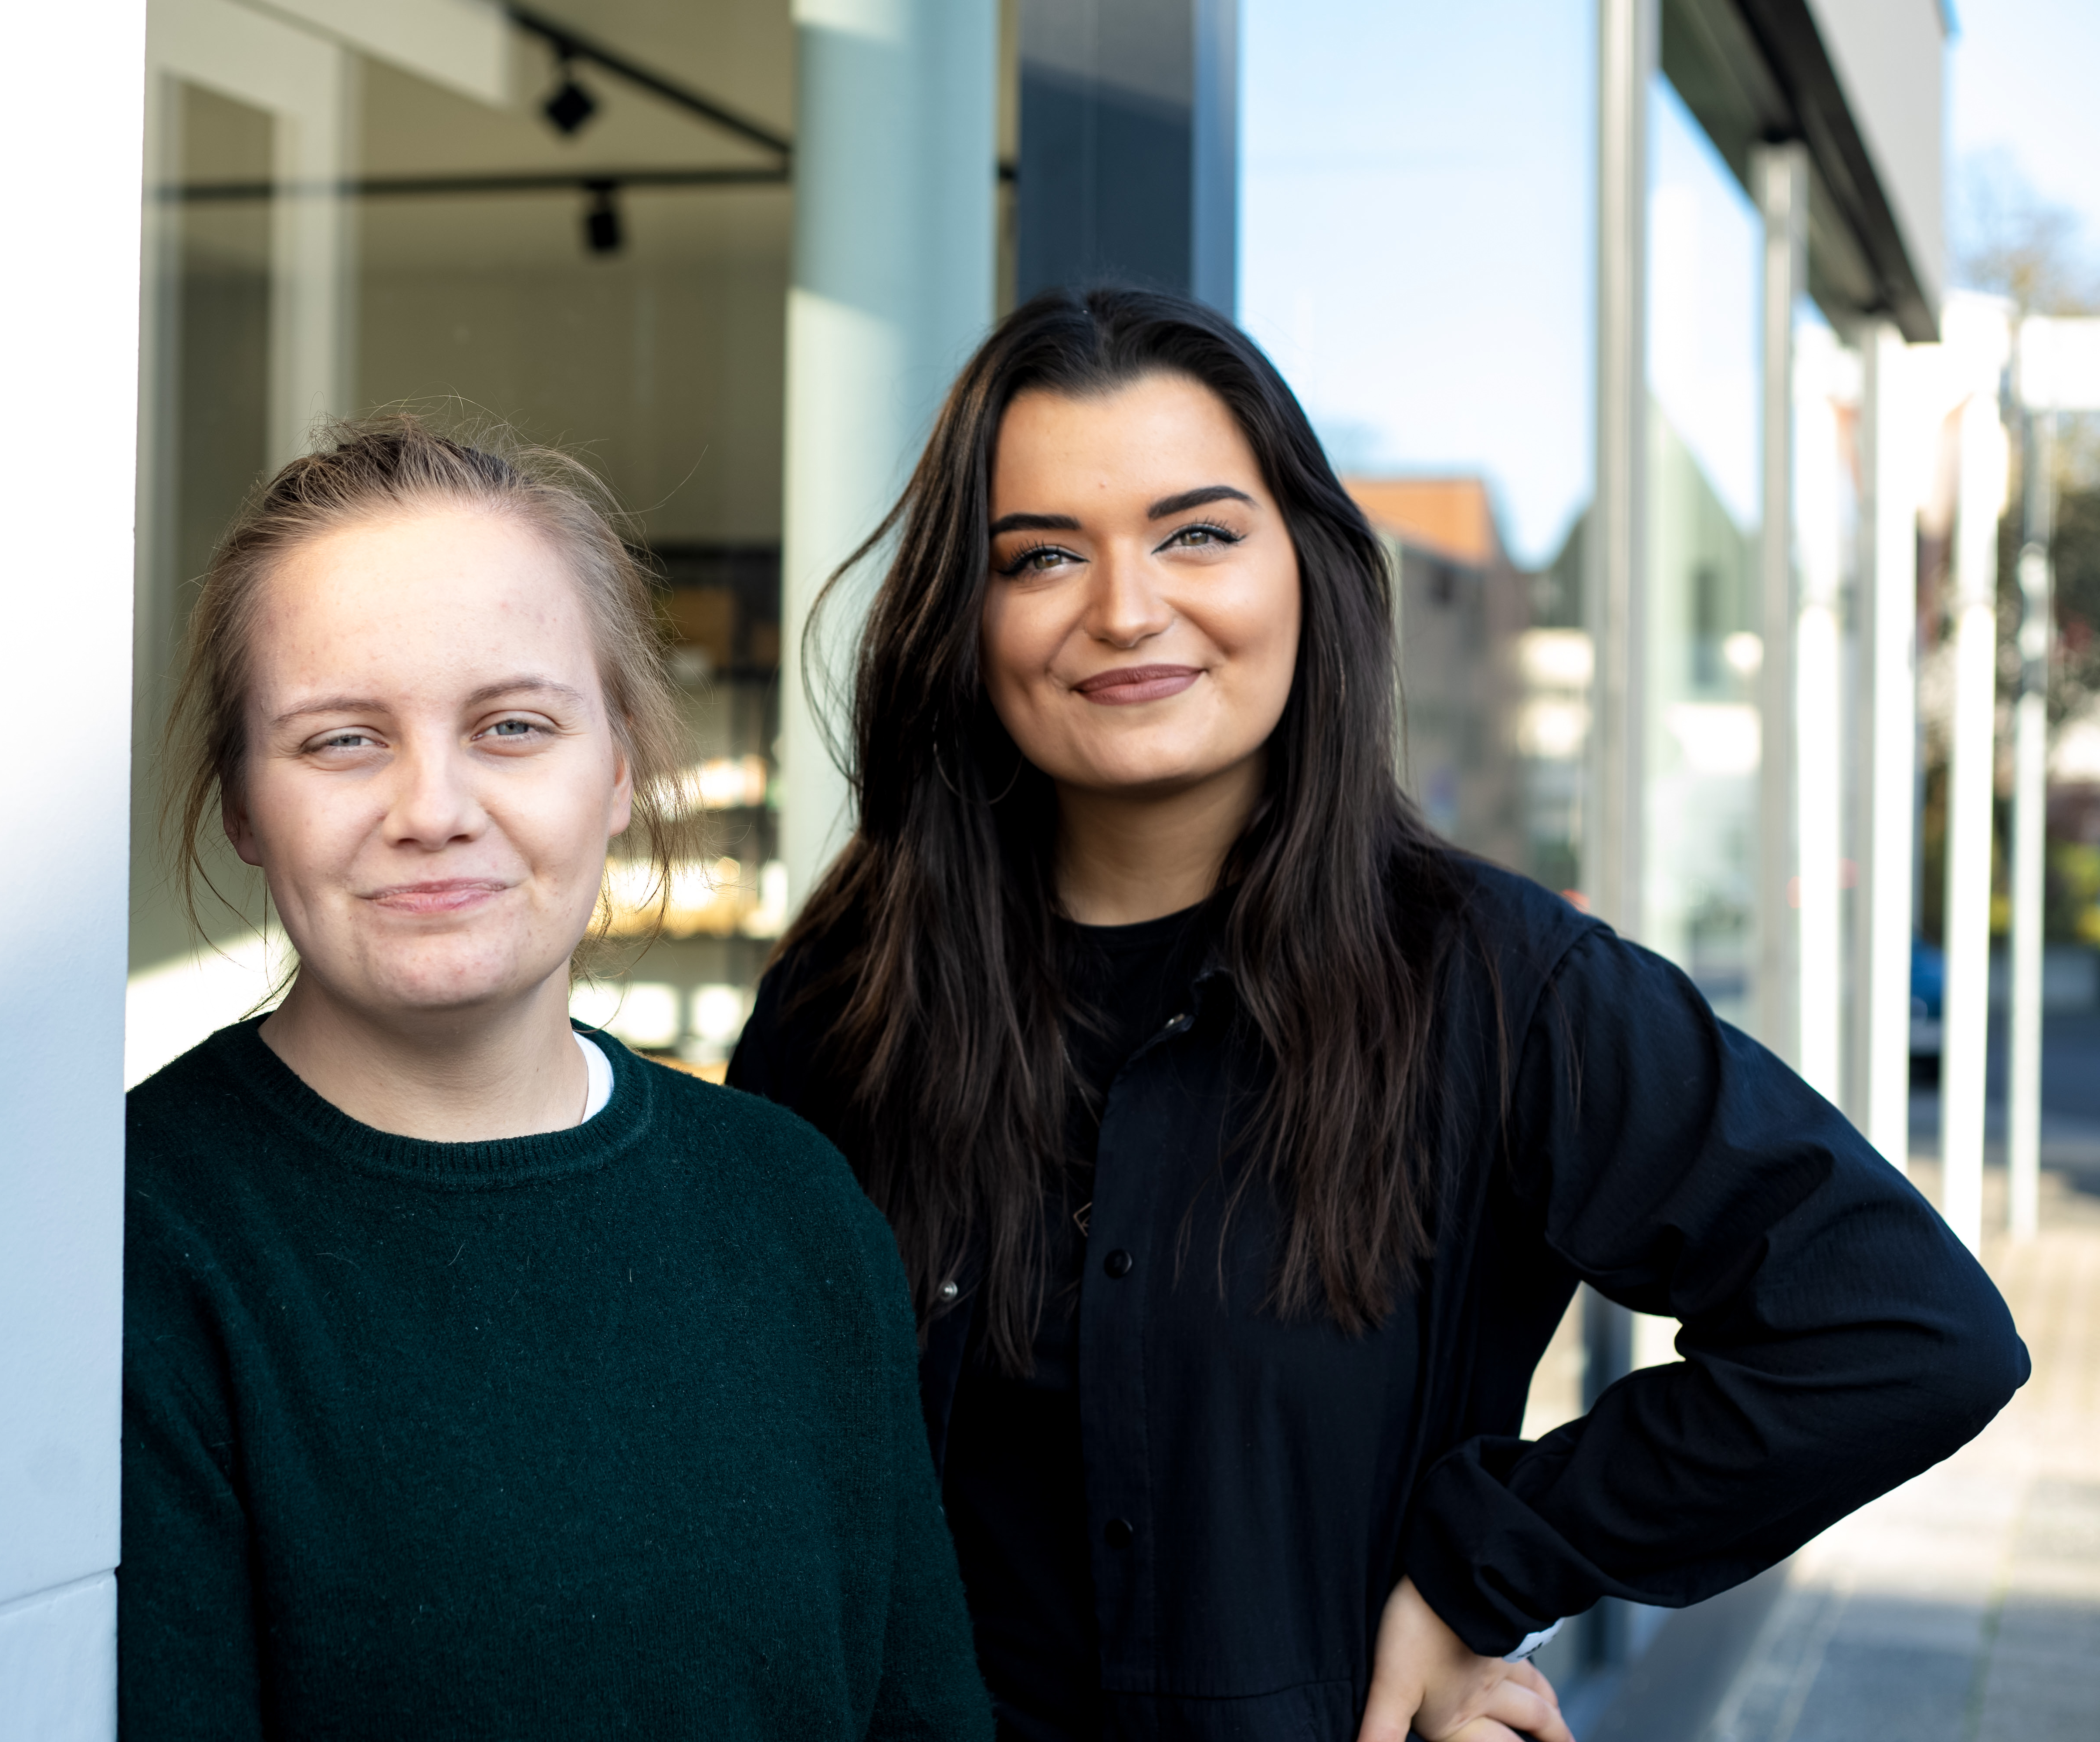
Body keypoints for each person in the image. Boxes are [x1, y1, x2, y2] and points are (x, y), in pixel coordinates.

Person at [726, 288, 2029, 1742]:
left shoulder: (1498, 986)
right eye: (1039, 556)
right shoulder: (853, 995)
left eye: (1198, 532)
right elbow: (748, 1462)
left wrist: (1486, 1567)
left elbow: (1903, 1335)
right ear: (965, 616)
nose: (1126, 607)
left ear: (1308, 568)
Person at [119, 418, 992, 1741]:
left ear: (624, 769)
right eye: (341, 740)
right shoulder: (138, 1240)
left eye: (513, 726)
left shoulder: (793, 1210)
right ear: (244, 799)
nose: (433, 808)